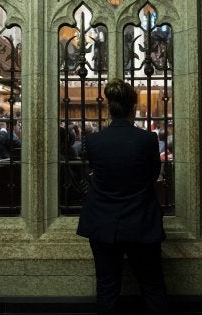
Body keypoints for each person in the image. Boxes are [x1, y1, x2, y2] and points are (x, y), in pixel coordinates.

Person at [77, 78, 168, 315]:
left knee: (107, 289)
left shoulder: (94, 141)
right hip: (141, 220)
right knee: (153, 287)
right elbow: (153, 175)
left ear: (109, 107)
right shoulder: (147, 139)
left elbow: (94, 176)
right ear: (133, 108)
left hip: (103, 221)